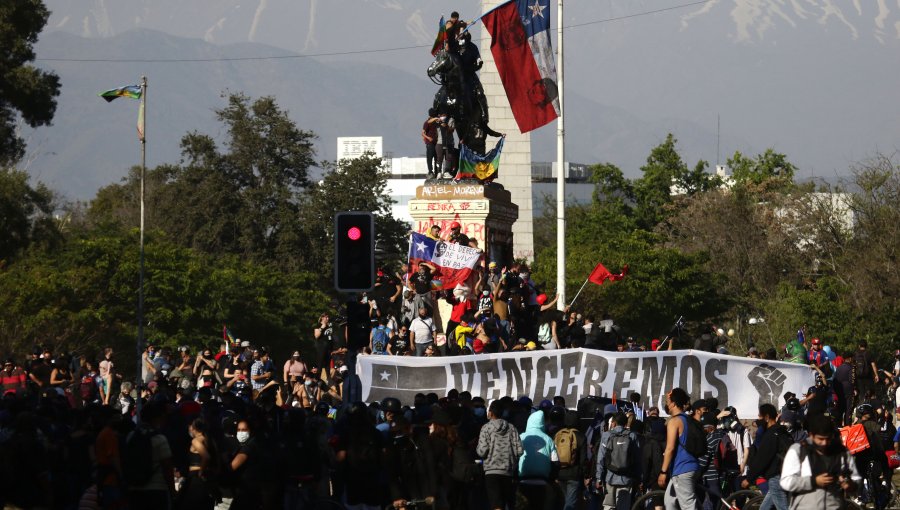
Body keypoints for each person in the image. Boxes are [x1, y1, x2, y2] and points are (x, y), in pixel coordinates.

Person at [780, 414, 860, 510]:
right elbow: (786, 481)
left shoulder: (842, 452)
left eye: (828, 439)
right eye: (820, 439)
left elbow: (856, 478)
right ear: (811, 435)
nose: (824, 443)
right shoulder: (799, 450)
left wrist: (850, 485)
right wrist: (813, 481)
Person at [742, 403, 792, 510]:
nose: (758, 419)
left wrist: (749, 478)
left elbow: (762, 459)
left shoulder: (770, 435)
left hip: (776, 477)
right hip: (785, 475)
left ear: (767, 417)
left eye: (760, 416)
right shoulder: (782, 432)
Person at [477, 400, 524, 510]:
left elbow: (482, 451)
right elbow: (520, 450)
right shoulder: (512, 428)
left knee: (496, 505)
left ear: (491, 413)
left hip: (491, 472)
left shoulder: (486, 428)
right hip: (508, 472)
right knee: (505, 503)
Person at [659, 387, 700, 510]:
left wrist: (663, 472)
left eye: (667, 401)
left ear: (673, 403)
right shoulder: (688, 420)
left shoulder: (674, 421)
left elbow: (670, 448)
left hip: (682, 469)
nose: (666, 404)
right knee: (669, 501)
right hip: (691, 466)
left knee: (688, 506)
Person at [596, 411, 641, 510]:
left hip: (610, 477)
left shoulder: (606, 435)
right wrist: (638, 477)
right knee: (623, 507)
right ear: (625, 423)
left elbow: (601, 458)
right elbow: (637, 459)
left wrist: (599, 477)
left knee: (608, 506)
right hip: (626, 477)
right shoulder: (632, 436)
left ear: (614, 423)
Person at [177, 418, 218, 510]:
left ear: (194, 427)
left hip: (196, 477)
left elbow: (206, 457)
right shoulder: (209, 440)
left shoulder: (196, 441)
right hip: (208, 477)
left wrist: (201, 471)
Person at [423, 109, 440, 178]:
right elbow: (423, 133)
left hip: (437, 143)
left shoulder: (436, 122)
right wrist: (428, 138)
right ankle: (430, 172)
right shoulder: (427, 122)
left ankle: (436, 172)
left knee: (437, 158)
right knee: (430, 158)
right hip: (430, 143)